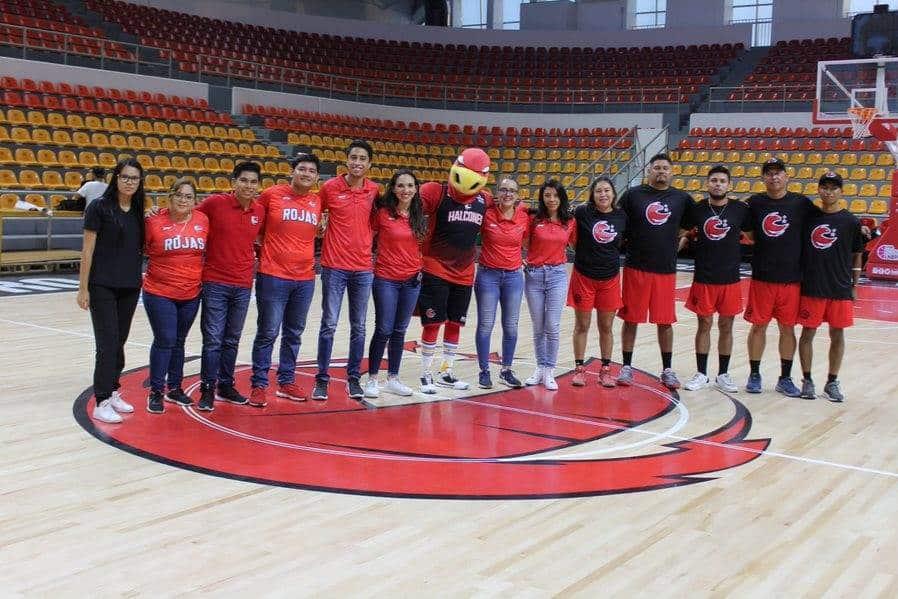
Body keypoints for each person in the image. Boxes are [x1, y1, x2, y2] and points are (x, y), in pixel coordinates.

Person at [417, 147, 492, 394]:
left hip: (465, 272)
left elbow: (511, 208)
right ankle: (426, 373)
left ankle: (445, 371)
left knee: (454, 324)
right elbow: (406, 207)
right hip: (435, 267)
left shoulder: (485, 199)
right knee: (432, 322)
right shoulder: (435, 191)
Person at [249, 153, 322, 407]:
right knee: (268, 331)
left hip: (305, 278)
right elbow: (253, 224)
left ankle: (286, 381)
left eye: (311, 171)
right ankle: (259, 384)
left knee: (294, 333)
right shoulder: (271, 195)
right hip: (273, 275)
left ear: (316, 177)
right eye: (301, 169)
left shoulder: (317, 201)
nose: (306, 174)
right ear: (292, 171)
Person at [77, 159, 145, 424]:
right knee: (107, 344)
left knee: (119, 342)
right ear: (115, 178)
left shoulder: (139, 209)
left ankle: (114, 389)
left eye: (135, 178)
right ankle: (102, 400)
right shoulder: (99, 207)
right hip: (102, 284)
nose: (129, 182)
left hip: (129, 286)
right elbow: (87, 250)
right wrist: (83, 288)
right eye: (125, 177)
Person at [194, 161, 265, 411]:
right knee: (213, 340)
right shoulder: (214, 203)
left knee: (232, 339)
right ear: (233, 182)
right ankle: (206, 389)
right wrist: (157, 213)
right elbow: (187, 215)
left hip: (244, 284)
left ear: (258, 185)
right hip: (214, 282)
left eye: (253, 182)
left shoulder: (259, 210)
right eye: (243, 180)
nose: (248, 185)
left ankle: (225, 385)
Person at [744, 157, 817, 396]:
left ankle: (785, 378)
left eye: (778, 173)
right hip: (763, 277)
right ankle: (754, 374)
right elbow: (748, 231)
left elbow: (826, 218)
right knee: (758, 327)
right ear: (763, 178)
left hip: (791, 279)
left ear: (787, 176)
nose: (774, 177)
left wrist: (858, 226)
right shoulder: (754, 203)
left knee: (788, 329)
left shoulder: (801, 203)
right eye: (769, 173)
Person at [313, 140, 379, 401]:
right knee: (328, 325)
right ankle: (321, 379)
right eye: (353, 157)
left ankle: (353, 378)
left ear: (369, 164)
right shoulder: (329, 188)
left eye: (363, 158)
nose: (357, 162)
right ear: (346, 160)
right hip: (334, 266)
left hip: (363, 268)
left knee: (359, 327)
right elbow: (314, 215)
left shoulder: (374, 190)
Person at [616, 153, 689, 390]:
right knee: (631, 319)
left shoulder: (681, 199)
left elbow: (690, 228)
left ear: (672, 172)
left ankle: (667, 369)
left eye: (665, 168)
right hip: (636, 267)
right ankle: (626, 366)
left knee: (665, 321)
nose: (661, 171)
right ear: (649, 171)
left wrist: (679, 243)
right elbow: (618, 223)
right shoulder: (633, 195)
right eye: (656, 167)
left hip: (665, 270)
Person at [680, 166, 750, 393]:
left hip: (730, 278)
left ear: (729, 185)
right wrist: (685, 239)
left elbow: (755, 235)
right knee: (704, 325)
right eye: (713, 180)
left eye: (722, 181)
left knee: (726, 326)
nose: (717, 184)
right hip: (704, 277)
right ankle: (701, 373)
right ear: (707, 184)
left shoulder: (740, 209)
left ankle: (723, 374)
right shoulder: (697, 209)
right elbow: (680, 231)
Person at [142, 178, 208, 413]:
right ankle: (156, 391)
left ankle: (175, 388)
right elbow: (140, 249)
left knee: (179, 341)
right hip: (159, 291)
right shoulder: (153, 220)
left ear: (194, 201)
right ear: (169, 197)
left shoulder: (202, 220)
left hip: (191, 293)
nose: (183, 200)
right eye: (179, 195)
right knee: (165, 339)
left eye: (188, 196)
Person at [797, 172, 864, 402]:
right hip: (812, 286)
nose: (829, 191)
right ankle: (807, 380)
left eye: (834, 188)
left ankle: (832, 381)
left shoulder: (851, 222)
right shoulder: (809, 218)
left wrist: (854, 286)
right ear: (819, 190)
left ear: (841, 191)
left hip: (839, 288)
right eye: (825, 187)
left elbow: (857, 255)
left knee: (838, 334)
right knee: (808, 334)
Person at [364, 168, 426, 398]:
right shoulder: (382, 213)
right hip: (386, 280)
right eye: (400, 185)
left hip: (411, 281)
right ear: (393, 188)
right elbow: (367, 237)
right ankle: (372, 379)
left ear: (416, 189)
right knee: (384, 329)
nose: (405, 190)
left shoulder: (419, 215)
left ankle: (393, 378)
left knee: (400, 330)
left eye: (410, 186)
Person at [568, 176, 627, 388]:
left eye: (607, 190)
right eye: (598, 191)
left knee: (606, 327)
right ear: (592, 195)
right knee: (582, 325)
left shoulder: (622, 216)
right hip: (584, 276)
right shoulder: (582, 212)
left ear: (613, 193)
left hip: (610, 278)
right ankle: (579, 369)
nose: (603, 194)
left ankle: (605, 370)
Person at [475, 177, 529, 389]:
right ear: (497, 193)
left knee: (511, 327)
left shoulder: (524, 216)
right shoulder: (486, 213)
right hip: (488, 276)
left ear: (518, 195)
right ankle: (484, 371)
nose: (508, 194)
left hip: (514, 277)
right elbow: (475, 194)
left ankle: (506, 370)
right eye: (504, 190)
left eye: (512, 191)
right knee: (486, 324)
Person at [524, 179, 575, 390]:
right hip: (534, 275)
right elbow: (521, 241)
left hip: (557, 276)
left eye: (555, 195)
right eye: (547, 195)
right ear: (542, 198)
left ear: (561, 197)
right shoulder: (533, 219)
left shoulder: (570, 221)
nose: (551, 199)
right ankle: (539, 368)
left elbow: (579, 244)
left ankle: (550, 370)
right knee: (538, 327)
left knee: (552, 326)